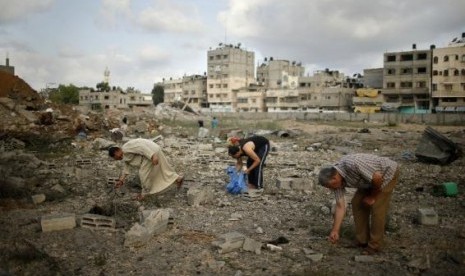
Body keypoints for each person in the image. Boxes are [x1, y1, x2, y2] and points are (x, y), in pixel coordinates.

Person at [318, 153, 400, 255]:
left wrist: (372, 197)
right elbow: (340, 206)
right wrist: (335, 231)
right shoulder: (335, 182)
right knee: (357, 203)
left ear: (335, 178)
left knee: (377, 207)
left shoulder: (352, 164)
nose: (331, 189)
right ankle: (362, 240)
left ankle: (375, 245)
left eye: (331, 186)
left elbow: (377, 178)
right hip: (367, 180)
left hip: (386, 173)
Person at [109, 138, 184, 200]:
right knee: (162, 170)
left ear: (118, 150)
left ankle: (144, 195)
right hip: (149, 154)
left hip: (151, 152)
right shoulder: (123, 155)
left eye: (118, 156)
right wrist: (121, 180)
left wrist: (153, 155)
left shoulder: (126, 148)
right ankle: (178, 178)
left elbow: (141, 147)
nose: (120, 158)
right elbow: (126, 168)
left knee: (143, 174)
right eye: (117, 158)